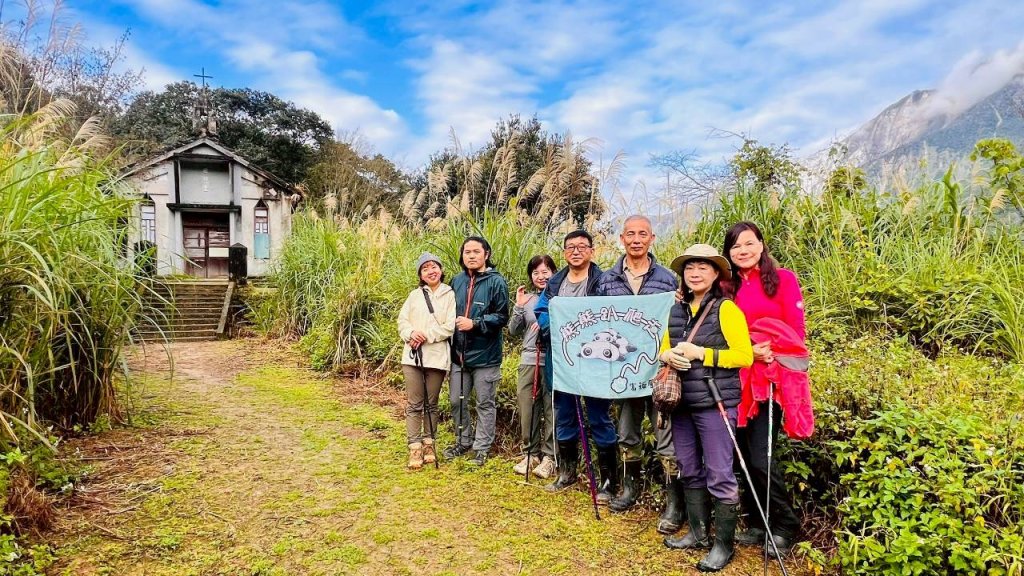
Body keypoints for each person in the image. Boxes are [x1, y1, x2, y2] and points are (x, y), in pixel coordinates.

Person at [661, 244, 752, 573]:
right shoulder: (677, 311)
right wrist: (668, 356)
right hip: (682, 403)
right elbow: (664, 347)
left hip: (715, 402)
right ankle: (698, 534)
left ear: (716, 274)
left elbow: (744, 356)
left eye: (703, 267)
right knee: (689, 467)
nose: (695, 273)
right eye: (689, 268)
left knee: (719, 472)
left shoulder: (726, 309)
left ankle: (723, 546)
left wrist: (702, 353)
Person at [724, 221, 807, 557]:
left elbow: (795, 333)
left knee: (761, 457)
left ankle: (785, 526)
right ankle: (759, 522)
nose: (743, 251)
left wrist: (768, 351)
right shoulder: (726, 286)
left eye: (749, 243)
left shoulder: (783, 279)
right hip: (736, 381)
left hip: (768, 382)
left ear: (761, 244)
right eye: (735, 247)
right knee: (741, 456)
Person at [596, 215, 683, 533]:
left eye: (642, 234)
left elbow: (679, 319)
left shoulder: (669, 279)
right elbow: (597, 320)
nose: (636, 239)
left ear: (652, 238)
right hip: (623, 371)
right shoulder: (606, 280)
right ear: (621, 239)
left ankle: (674, 502)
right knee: (627, 430)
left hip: (660, 370)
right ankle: (630, 488)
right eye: (630, 234)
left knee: (666, 434)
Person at [535, 230, 619, 502]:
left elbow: (611, 314)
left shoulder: (604, 281)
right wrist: (555, 330)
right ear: (564, 253)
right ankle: (567, 472)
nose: (576, 251)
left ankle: (609, 481)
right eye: (570, 247)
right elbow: (542, 311)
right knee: (565, 415)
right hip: (562, 360)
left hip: (595, 361)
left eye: (582, 246)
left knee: (599, 417)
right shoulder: (555, 283)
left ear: (592, 251)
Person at [444, 236, 510, 466]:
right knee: (456, 401)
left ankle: (481, 448)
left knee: (484, 403)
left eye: (476, 251)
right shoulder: (457, 280)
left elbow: (502, 317)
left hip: (486, 356)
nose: (471, 256)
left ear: (486, 254)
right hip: (459, 355)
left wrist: (475, 323)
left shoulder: (496, 282)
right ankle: (463, 441)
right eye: (467, 252)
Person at [397, 252, 456, 470]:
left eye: (434, 266)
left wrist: (426, 335)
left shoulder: (449, 294)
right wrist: (411, 333)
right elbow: (402, 321)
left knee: (431, 404)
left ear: (440, 269)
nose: (431, 271)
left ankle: (429, 443)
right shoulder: (414, 295)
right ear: (421, 275)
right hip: (412, 356)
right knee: (415, 404)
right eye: (425, 268)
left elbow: (449, 326)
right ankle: (414, 446)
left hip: (437, 357)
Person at [509, 254, 558, 479]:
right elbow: (513, 330)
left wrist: (547, 323)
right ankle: (530, 453)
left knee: (552, 409)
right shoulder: (527, 299)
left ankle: (550, 457)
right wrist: (519, 307)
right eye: (536, 272)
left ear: (554, 273)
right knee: (527, 408)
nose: (541, 276)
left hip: (554, 359)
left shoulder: (560, 298)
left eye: (545, 271)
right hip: (529, 359)